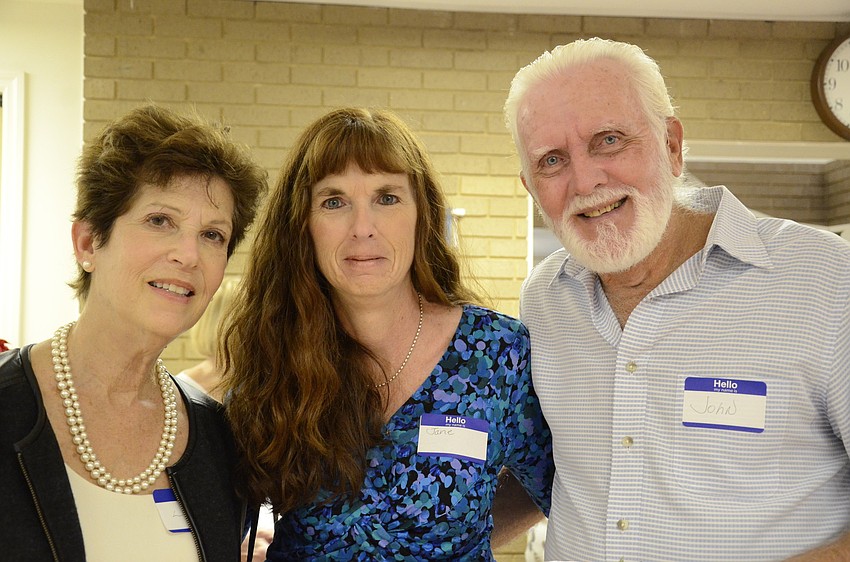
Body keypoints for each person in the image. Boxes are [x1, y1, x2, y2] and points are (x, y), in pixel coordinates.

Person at [504, 37, 850, 561]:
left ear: (672, 146)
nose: (586, 180)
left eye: (609, 140)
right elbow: (550, 471)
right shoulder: (545, 300)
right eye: (552, 161)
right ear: (531, 189)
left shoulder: (823, 280)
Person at [221, 107, 554, 560]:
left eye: (387, 197)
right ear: (303, 226)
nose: (363, 228)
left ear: (423, 215)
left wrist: (460, 543)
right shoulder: (276, 352)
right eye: (334, 201)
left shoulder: (496, 354)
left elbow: (554, 484)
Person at [0, 104, 267, 561]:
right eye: (160, 221)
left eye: (213, 235)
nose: (188, 255)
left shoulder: (221, 440)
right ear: (88, 243)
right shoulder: (8, 407)